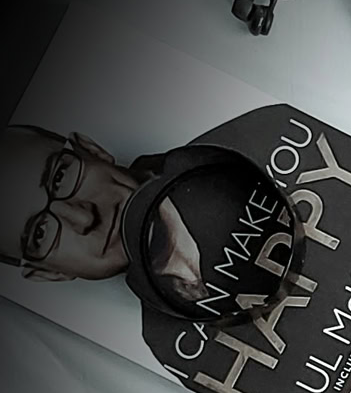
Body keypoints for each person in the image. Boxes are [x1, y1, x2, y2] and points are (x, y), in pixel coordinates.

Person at [0, 124, 208, 304]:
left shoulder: (221, 148)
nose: (85, 218)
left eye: (60, 177)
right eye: (39, 234)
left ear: (91, 149)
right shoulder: (170, 343)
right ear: (50, 273)